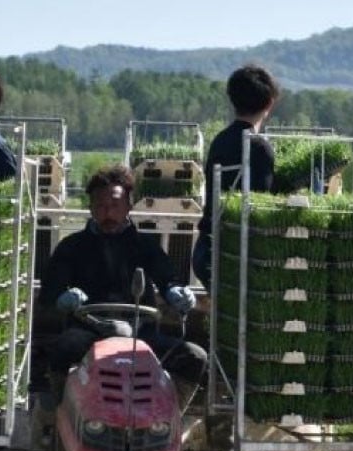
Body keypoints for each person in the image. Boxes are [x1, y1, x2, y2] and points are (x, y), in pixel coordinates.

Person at [39, 165, 206, 403]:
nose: (108, 212)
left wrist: (176, 291)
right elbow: (49, 293)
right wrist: (62, 298)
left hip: (141, 334)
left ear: (129, 206)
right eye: (100, 206)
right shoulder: (72, 247)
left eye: (115, 205)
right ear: (90, 208)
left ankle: (168, 418)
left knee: (195, 356)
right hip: (89, 334)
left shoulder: (145, 246)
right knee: (62, 348)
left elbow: (167, 277)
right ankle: (60, 411)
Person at [192, 64, 280, 288]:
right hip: (234, 252)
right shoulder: (259, 147)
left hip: (206, 247)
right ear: (269, 103)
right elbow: (261, 207)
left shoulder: (220, 140)